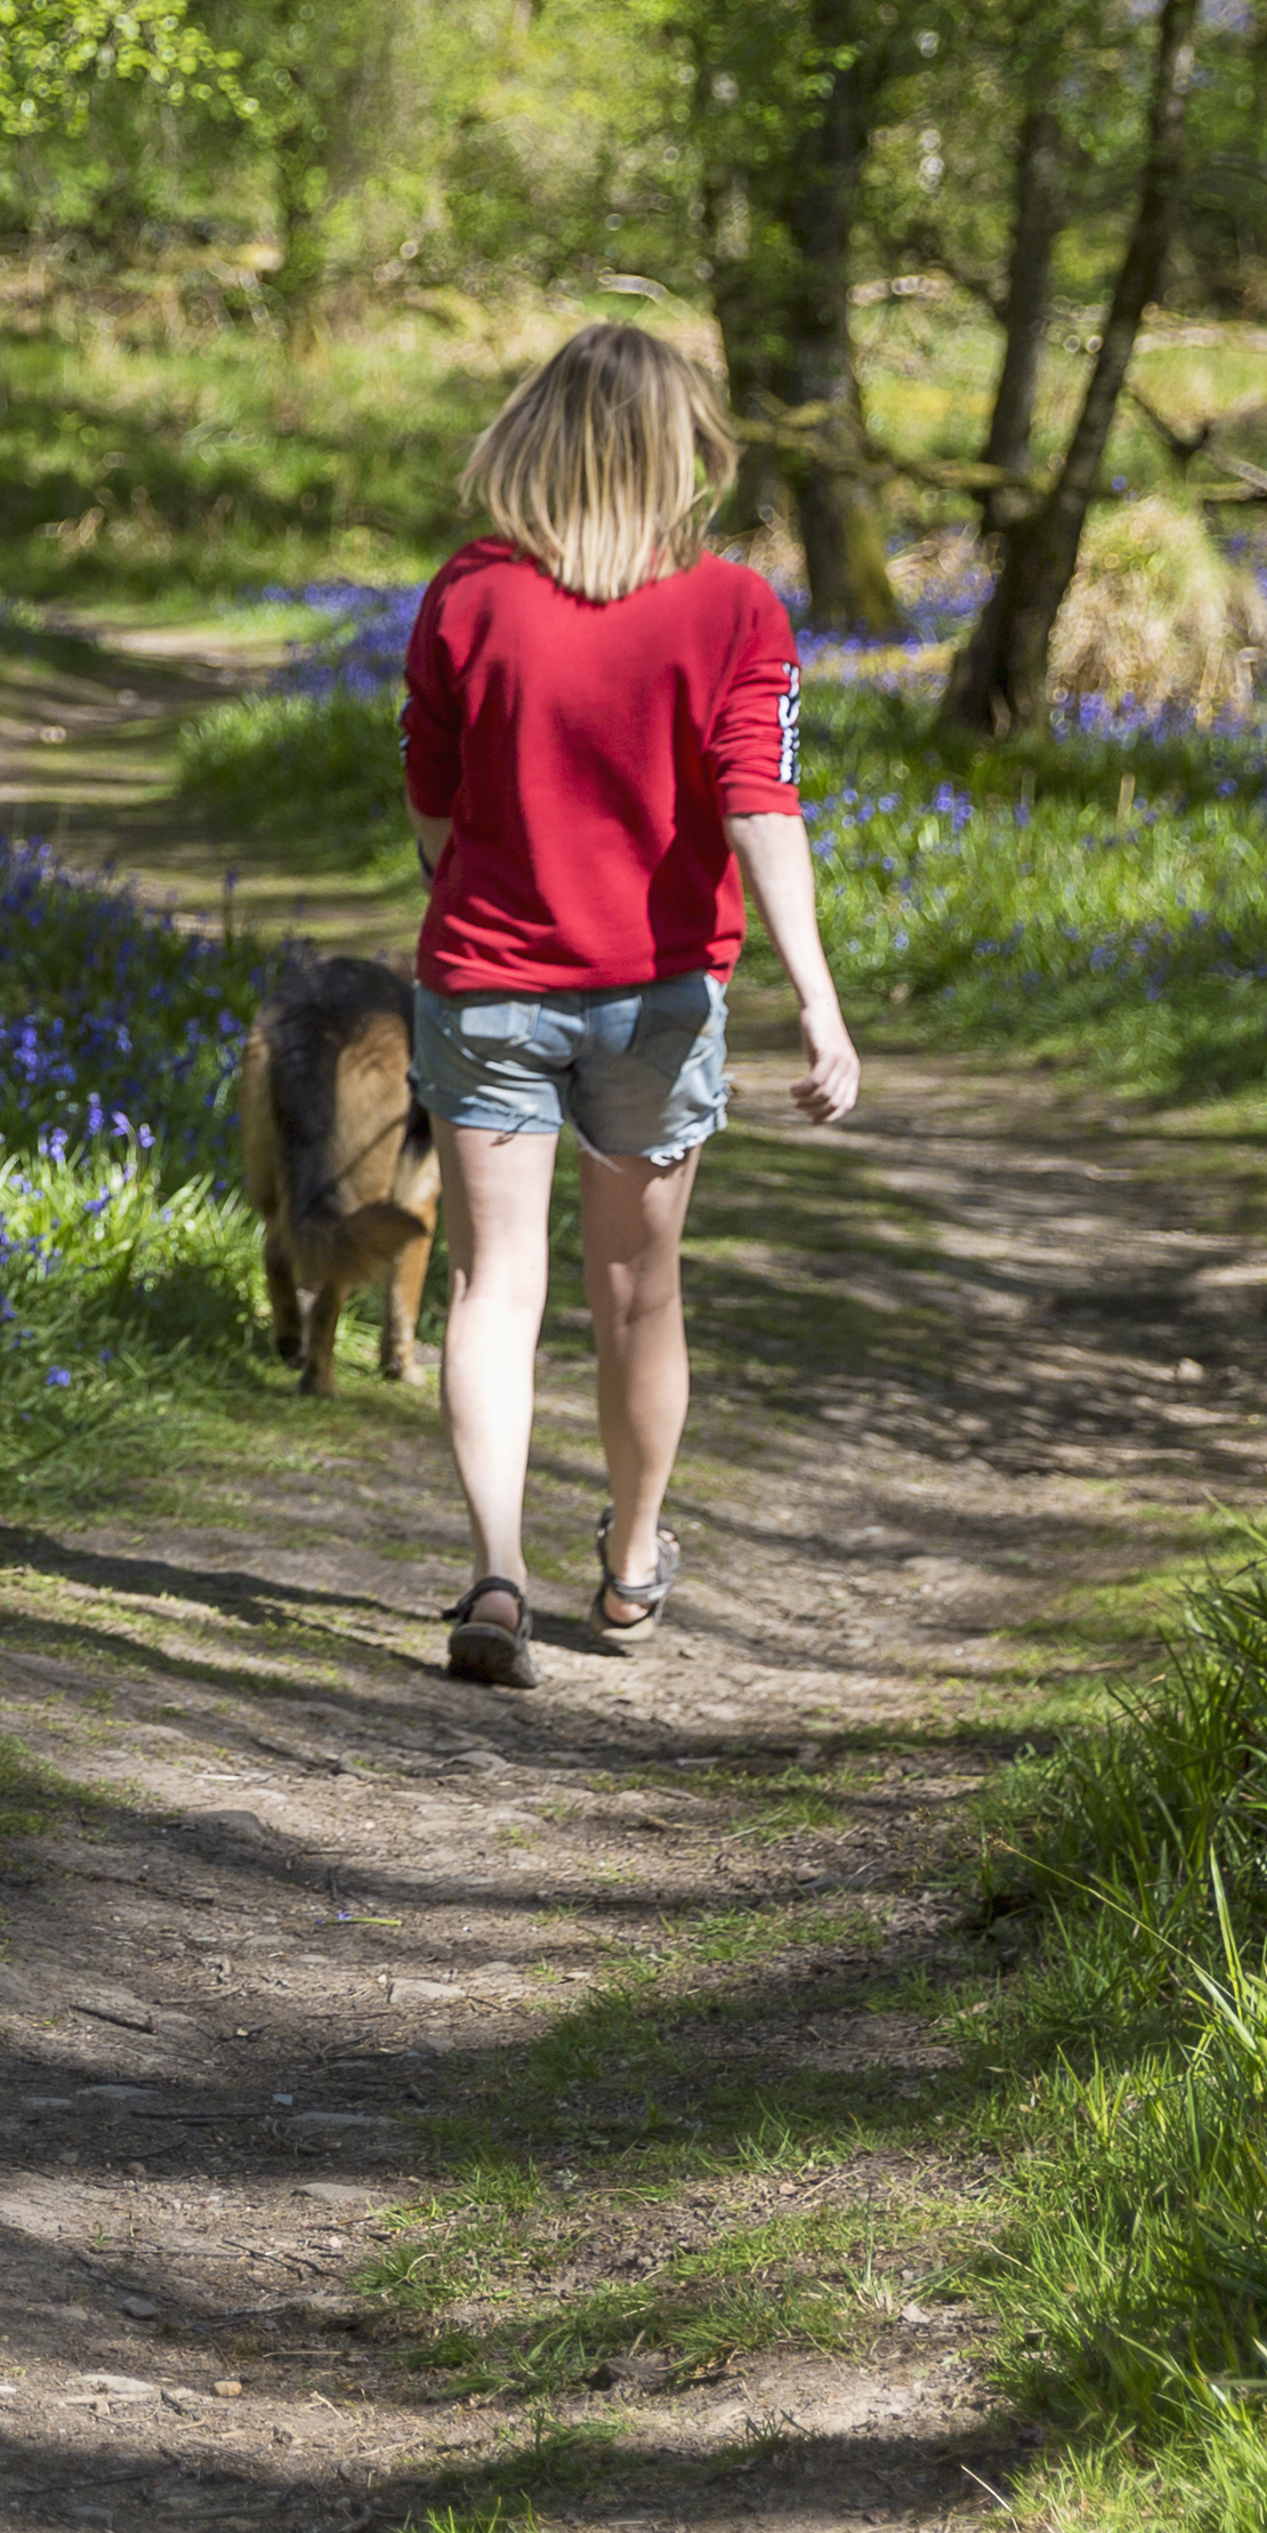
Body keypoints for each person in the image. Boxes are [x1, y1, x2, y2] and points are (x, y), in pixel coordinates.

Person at [395, 322, 862, 1688]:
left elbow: (432, 796)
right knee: (636, 1295)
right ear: (683, 452)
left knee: (493, 1284)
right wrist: (819, 1007)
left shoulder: (468, 596)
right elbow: (760, 808)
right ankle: (633, 1561)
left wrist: (469, 891)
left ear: (535, 437)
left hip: (485, 984)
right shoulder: (732, 610)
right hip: (653, 1001)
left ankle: (495, 1573)